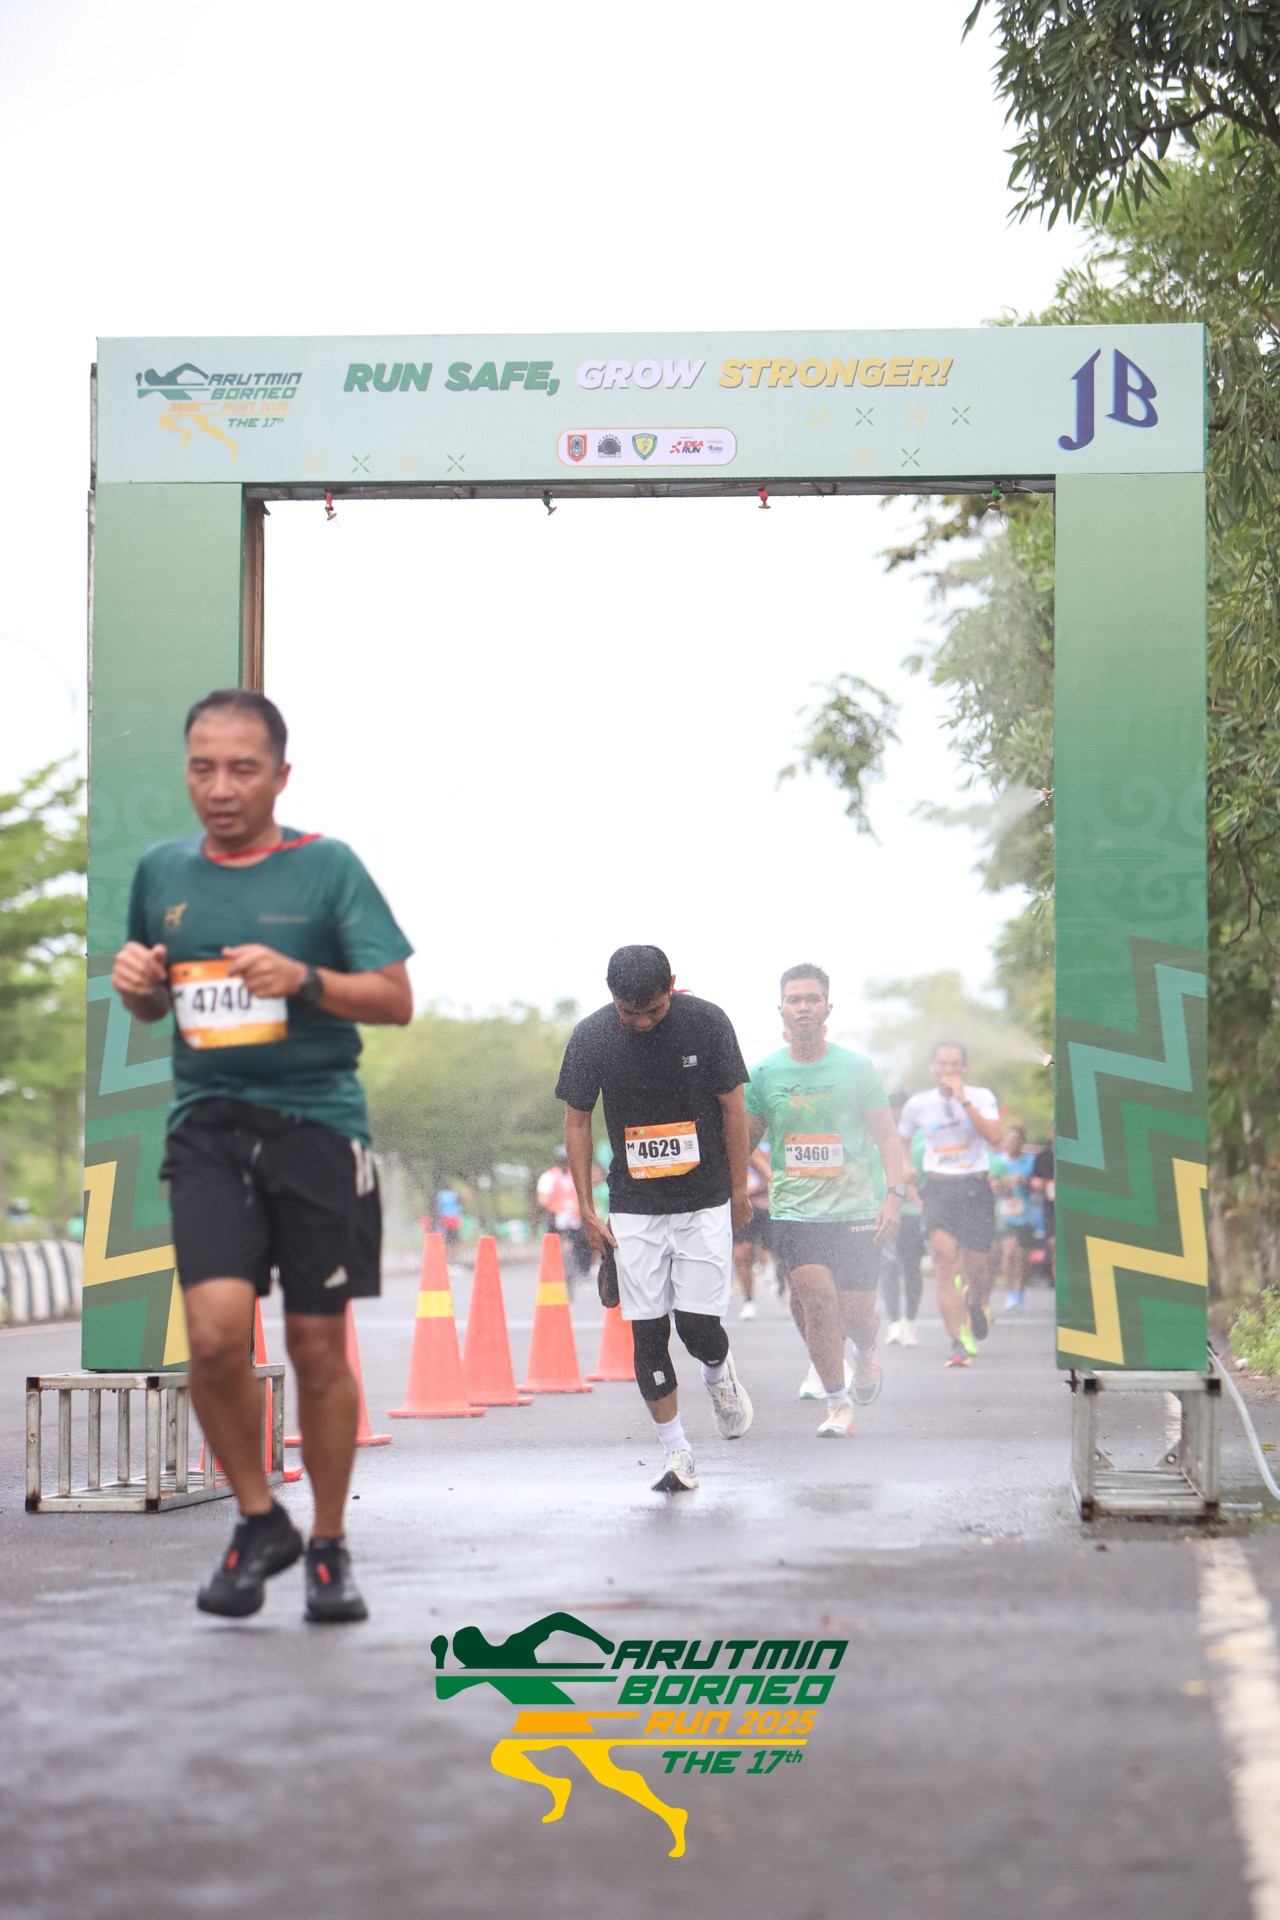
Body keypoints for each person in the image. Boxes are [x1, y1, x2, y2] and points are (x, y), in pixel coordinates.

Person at [110, 689, 413, 1623]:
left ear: (280, 775)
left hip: (318, 1127)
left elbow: (395, 998)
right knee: (211, 1337)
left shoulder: (326, 868)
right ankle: (258, 1519)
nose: (221, 787)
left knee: (316, 1346)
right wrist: (137, 987)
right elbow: (157, 1000)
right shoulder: (162, 871)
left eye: (242, 769)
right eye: (203, 768)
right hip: (207, 1128)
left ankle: (328, 1543)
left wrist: (305, 979)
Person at [555, 944, 754, 1493]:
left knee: (697, 1328)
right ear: (612, 999)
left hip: (704, 1198)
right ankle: (676, 1452)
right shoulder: (592, 1036)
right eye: (629, 1012)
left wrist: (739, 1191)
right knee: (647, 1333)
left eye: (654, 1010)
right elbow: (577, 1121)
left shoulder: (707, 1023)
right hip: (634, 1207)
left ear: (672, 987)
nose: (642, 1022)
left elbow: (734, 1109)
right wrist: (587, 1208)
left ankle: (718, 1373)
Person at [745, 965, 906, 1437]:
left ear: (828, 1008)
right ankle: (838, 1404)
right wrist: (741, 1188)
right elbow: (745, 1140)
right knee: (816, 1301)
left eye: (812, 999)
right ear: (781, 1008)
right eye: (794, 999)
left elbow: (887, 1137)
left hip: (855, 1208)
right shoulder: (764, 1074)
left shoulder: (856, 1068)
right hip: (795, 1211)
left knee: (856, 1315)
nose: (803, 1007)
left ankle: (866, 1352)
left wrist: (894, 1197)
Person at [898, 1042, 1002, 1369]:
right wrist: (905, 1165)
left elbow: (993, 1135)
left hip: (974, 1186)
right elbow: (900, 1139)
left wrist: (963, 1099)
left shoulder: (981, 1097)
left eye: (955, 1064)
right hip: (938, 1188)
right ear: (933, 1068)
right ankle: (956, 1342)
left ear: (964, 1068)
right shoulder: (918, 1104)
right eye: (943, 1064)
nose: (949, 1070)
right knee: (944, 1261)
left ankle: (976, 1301)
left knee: (978, 1266)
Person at [881, 1090, 925, 1346]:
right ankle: (894, 1323)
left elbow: (922, 1175)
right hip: (885, 1211)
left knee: (911, 1268)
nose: (897, 1116)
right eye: (893, 1111)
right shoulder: (877, 1136)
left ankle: (910, 1321)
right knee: (887, 1267)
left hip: (911, 1213)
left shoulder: (920, 1139)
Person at [991, 1122, 1037, 1310]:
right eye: (1010, 1139)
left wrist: (1026, 1182)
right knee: (1008, 1253)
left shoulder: (1030, 1162)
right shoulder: (997, 1162)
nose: (1013, 1143)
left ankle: (1020, 1292)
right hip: (1005, 1215)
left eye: (1017, 1140)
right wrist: (1008, 1183)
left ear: (1022, 1142)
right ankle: (1010, 1293)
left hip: (1025, 1215)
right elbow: (994, 1186)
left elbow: (1039, 1185)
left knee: (1023, 1257)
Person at [536, 1145, 592, 1283]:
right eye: (563, 1162)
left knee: (586, 1240)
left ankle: (583, 1271)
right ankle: (551, 1268)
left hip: (574, 1217)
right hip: (556, 1216)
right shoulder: (548, 1177)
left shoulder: (576, 1176)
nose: (565, 1165)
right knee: (551, 1241)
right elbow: (542, 1198)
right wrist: (557, 1207)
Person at [732, 1142, 773, 1319]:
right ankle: (748, 1301)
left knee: (777, 1253)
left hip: (763, 1207)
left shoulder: (762, 1148)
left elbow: (770, 1176)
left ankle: (781, 1285)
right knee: (742, 1254)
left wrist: (752, 1189)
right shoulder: (730, 1146)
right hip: (742, 1209)